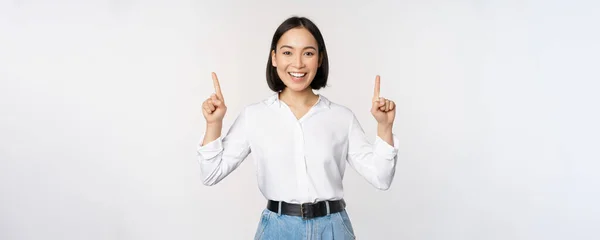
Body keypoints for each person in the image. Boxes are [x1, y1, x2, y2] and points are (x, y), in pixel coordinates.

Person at [197, 16, 399, 240]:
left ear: (320, 59)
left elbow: (381, 178)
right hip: (277, 230)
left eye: (308, 53)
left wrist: (384, 126)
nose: (298, 63)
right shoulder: (254, 116)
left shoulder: (341, 117)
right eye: (287, 52)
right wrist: (214, 124)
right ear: (274, 58)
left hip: (333, 229)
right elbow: (211, 173)